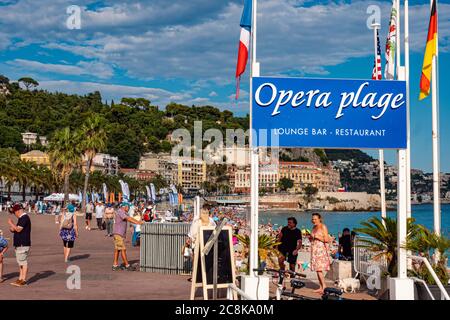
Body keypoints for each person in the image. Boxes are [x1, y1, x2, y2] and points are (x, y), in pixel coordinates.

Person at [112, 202, 144, 271]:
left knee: (117, 249)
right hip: (118, 233)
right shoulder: (120, 211)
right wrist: (138, 222)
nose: (129, 208)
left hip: (119, 234)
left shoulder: (123, 212)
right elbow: (128, 219)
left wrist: (138, 221)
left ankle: (115, 265)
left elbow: (130, 218)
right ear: (125, 207)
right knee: (123, 249)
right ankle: (127, 265)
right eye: (128, 207)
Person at [7, 203, 31, 287]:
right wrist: (12, 228)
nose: (14, 214)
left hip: (23, 244)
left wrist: (11, 223)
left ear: (18, 211)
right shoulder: (21, 218)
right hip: (20, 244)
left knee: (23, 262)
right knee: (20, 262)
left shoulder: (24, 218)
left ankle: (23, 280)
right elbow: (16, 229)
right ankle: (20, 278)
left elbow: (18, 229)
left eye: (14, 212)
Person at [309, 213, 331, 294]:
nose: (313, 220)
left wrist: (318, 237)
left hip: (320, 250)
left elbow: (327, 239)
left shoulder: (323, 226)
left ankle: (324, 287)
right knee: (317, 269)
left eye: (315, 219)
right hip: (314, 249)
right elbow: (312, 239)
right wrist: (311, 238)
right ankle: (321, 287)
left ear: (319, 219)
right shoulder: (314, 227)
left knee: (319, 269)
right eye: (312, 219)